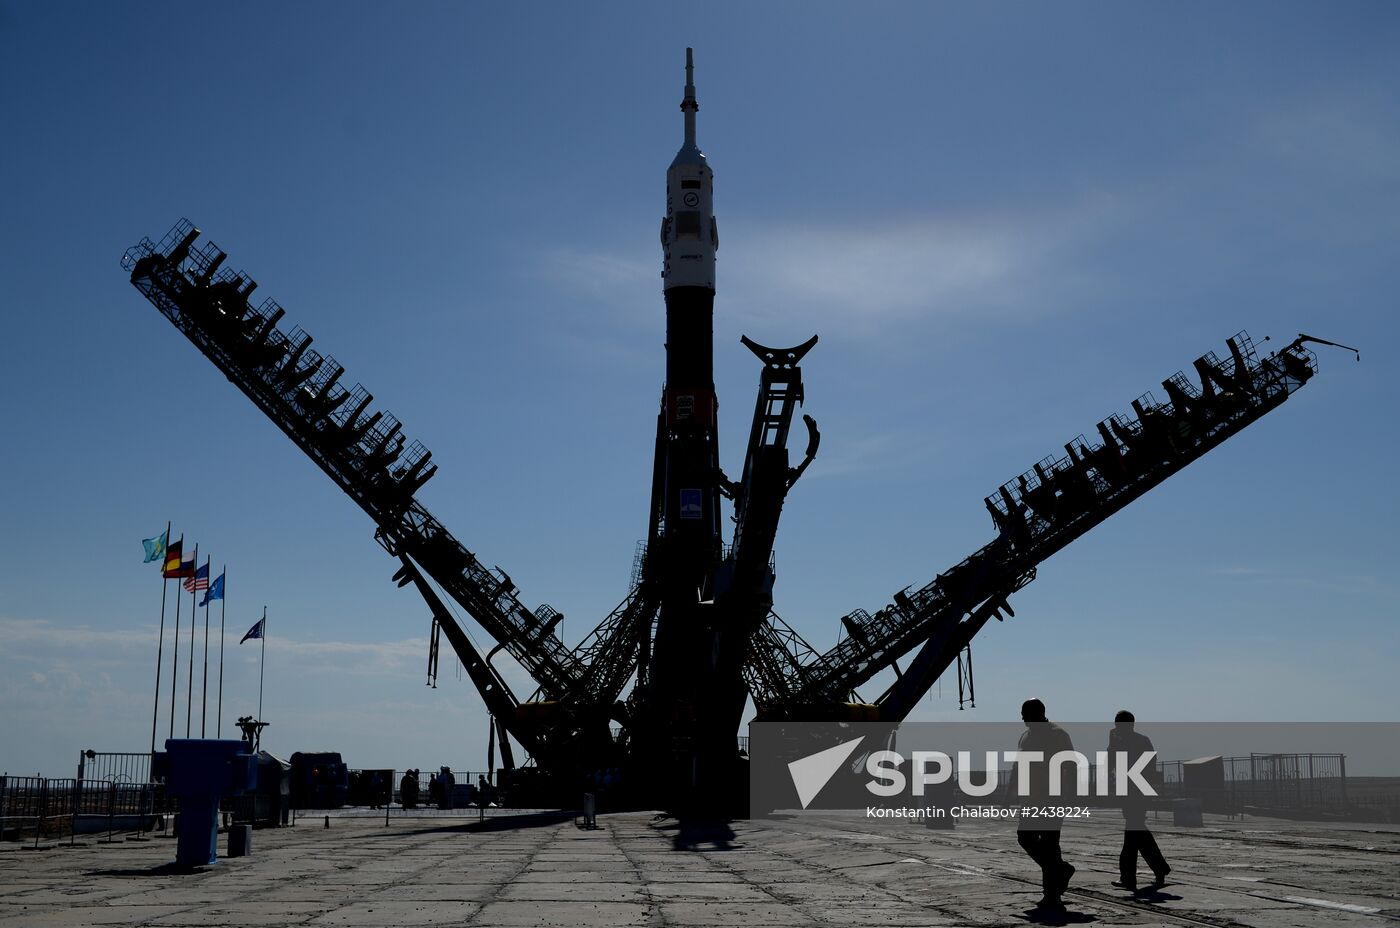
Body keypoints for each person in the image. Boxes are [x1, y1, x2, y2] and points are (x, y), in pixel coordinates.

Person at [1015, 698, 1076, 911]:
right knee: (1025, 838)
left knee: (1050, 846)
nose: (1022, 718)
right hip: (1030, 799)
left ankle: (1052, 896)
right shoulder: (1025, 736)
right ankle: (1061, 870)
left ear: (1038, 713)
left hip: (1052, 798)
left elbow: (1071, 764)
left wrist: (1073, 794)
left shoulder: (1057, 734)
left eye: (1025, 713)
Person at [1108, 710, 1171, 892]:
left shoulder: (1140, 741)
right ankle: (1159, 869)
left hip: (1137, 792)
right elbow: (1112, 763)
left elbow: (1148, 766)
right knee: (1138, 834)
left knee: (1132, 835)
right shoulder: (1123, 743)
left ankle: (1129, 877)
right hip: (1130, 793)